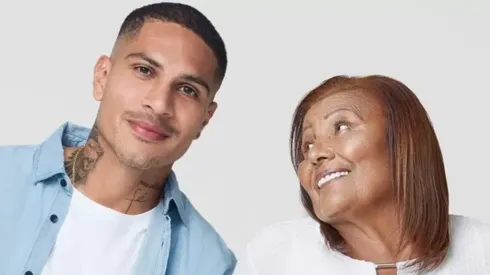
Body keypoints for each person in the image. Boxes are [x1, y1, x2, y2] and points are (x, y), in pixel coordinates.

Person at [0, 2, 236, 275]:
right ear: (102, 77)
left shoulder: (209, 264)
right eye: (145, 70)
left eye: (187, 89)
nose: (159, 104)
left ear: (205, 119)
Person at [234, 75, 490, 275]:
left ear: (403, 141)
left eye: (342, 126)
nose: (315, 155)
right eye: (307, 145)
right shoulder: (273, 257)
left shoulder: (481, 249)